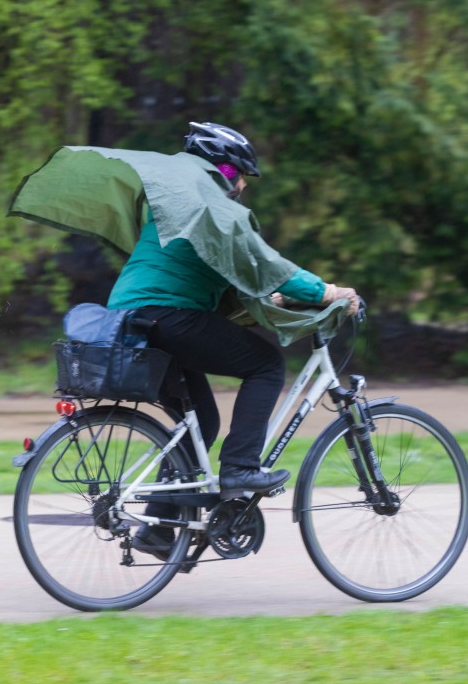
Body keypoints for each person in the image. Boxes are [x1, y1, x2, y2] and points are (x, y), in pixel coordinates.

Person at [107, 121, 359, 559]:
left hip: (133, 318)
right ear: (223, 171)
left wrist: (276, 295)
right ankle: (241, 470)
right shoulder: (212, 206)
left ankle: (160, 528)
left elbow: (222, 274)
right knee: (265, 364)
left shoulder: (176, 203)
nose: (243, 185)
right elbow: (264, 260)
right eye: (240, 174)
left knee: (200, 422)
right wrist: (326, 292)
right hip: (168, 317)